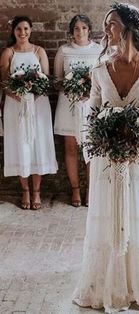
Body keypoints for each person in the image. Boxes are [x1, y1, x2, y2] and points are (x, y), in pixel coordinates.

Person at [73, 3, 139, 312]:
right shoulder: (99, 68)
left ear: (130, 27)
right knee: (108, 217)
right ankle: (110, 281)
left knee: (138, 215)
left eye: (112, 23)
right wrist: (100, 144)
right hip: (108, 160)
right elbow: (92, 115)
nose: (106, 29)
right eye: (106, 24)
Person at [0, 16, 58, 209]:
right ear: (13, 32)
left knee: (37, 144)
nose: (22, 33)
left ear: (31, 30)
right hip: (15, 105)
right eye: (18, 29)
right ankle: (25, 191)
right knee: (20, 145)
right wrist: (18, 96)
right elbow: (5, 82)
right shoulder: (8, 52)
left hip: (38, 105)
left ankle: (37, 192)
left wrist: (33, 95)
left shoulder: (38, 51)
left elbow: (45, 80)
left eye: (26, 29)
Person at [54, 14, 102, 207]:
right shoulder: (64, 51)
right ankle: (75, 190)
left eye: (83, 28)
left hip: (91, 105)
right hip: (68, 105)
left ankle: (91, 189)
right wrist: (71, 87)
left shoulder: (99, 50)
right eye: (76, 28)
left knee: (91, 149)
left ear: (89, 30)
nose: (80, 31)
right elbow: (56, 81)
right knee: (71, 147)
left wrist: (88, 91)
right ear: (71, 31)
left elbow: (104, 81)